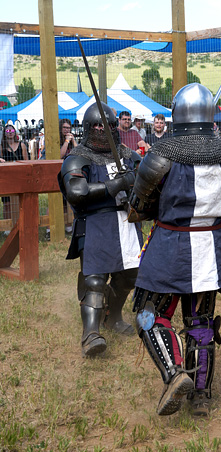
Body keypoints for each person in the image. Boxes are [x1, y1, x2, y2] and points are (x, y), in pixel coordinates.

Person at [128, 83, 221, 416]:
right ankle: (201, 397)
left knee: (149, 315)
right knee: (201, 322)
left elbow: (139, 208)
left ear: (177, 112)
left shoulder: (161, 155)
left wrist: (130, 187)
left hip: (171, 247)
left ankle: (174, 373)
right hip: (212, 248)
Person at [58, 102, 143, 358]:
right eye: (95, 125)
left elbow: (149, 180)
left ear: (115, 127)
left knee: (130, 275)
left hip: (127, 223)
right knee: (95, 280)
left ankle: (113, 317)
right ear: (86, 128)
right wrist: (117, 183)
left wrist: (137, 185)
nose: (100, 129)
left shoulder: (128, 154)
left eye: (105, 125)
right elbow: (77, 191)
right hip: (95, 223)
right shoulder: (78, 157)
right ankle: (90, 334)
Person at [0, 124, 28, 221]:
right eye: (7, 131)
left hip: (20, 177)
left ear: (15, 132)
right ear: (4, 133)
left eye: (12, 130)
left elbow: (26, 161)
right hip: (7, 178)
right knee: (7, 203)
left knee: (22, 202)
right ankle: (8, 226)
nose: (10, 132)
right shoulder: (1, 147)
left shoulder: (22, 145)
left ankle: (22, 221)